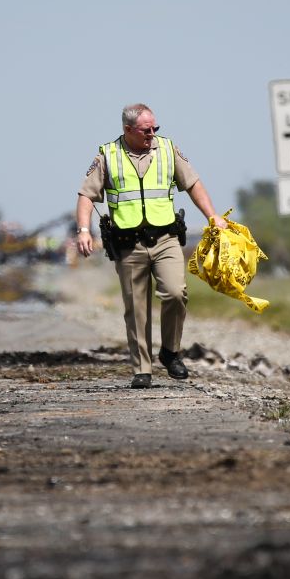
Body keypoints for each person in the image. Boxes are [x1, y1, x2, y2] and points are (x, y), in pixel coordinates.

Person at [75, 103, 228, 389]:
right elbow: (86, 195)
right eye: (147, 130)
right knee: (136, 308)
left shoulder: (168, 149)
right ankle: (141, 369)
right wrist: (83, 230)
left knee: (175, 293)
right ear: (128, 130)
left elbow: (193, 183)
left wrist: (212, 216)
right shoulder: (108, 156)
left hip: (166, 239)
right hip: (127, 244)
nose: (152, 134)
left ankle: (170, 352)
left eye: (155, 128)